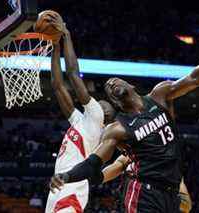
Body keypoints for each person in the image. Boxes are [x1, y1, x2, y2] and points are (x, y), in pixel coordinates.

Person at [50, 53, 199, 212]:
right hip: (143, 192)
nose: (110, 83)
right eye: (108, 88)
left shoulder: (160, 95)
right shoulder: (118, 129)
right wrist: (66, 176)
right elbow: (94, 163)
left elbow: (195, 79)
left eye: (115, 80)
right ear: (115, 102)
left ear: (131, 85)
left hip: (170, 192)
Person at [44, 12, 116, 213]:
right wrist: (55, 46)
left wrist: (66, 35)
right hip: (59, 185)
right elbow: (57, 86)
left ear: (107, 116)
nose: (102, 101)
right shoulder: (81, 121)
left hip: (72, 189)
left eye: (107, 104)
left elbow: (73, 73)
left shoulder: (97, 119)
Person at [102, 155, 192, 213]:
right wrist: (93, 179)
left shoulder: (169, 168)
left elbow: (186, 205)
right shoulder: (131, 155)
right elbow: (118, 164)